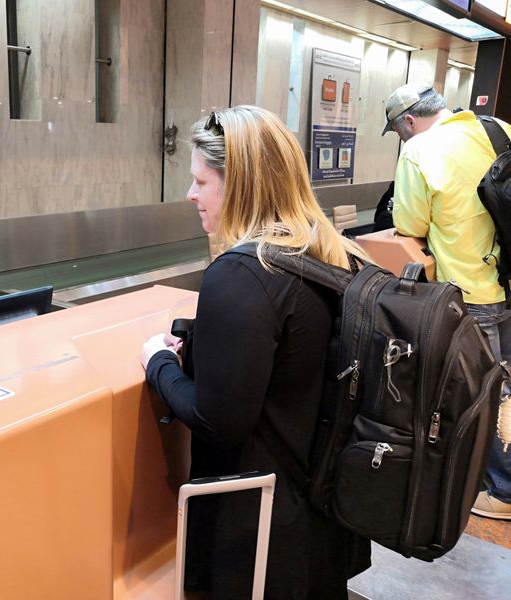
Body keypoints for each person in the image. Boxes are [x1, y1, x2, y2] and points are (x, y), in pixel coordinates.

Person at [140, 106, 371, 599]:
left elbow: (218, 421)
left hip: (258, 530)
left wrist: (157, 364)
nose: (191, 195)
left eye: (201, 182)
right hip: (323, 512)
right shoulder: (333, 255)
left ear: (240, 184)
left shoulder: (242, 274)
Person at [383, 82, 511, 520]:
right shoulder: (499, 129)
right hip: (510, 280)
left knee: (486, 392)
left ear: (408, 122)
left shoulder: (419, 151)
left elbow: (408, 225)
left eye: (399, 130)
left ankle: (504, 491)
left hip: (473, 291)